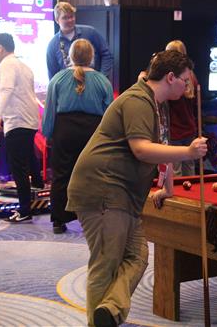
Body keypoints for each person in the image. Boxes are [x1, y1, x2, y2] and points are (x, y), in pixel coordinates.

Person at [66, 50, 208, 327]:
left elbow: (161, 148)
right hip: (104, 189)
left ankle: (110, 310)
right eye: (184, 81)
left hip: (121, 193)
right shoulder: (138, 100)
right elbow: (141, 149)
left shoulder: (155, 103)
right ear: (170, 77)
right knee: (106, 264)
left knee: (137, 256)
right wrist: (189, 152)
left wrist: (167, 188)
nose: (187, 87)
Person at [42, 39, 113, 234]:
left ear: (71, 56)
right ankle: (94, 217)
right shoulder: (103, 81)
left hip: (64, 131)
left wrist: (48, 133)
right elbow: (110, 114)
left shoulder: (57, 79)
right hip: (93, 132)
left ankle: (58, 221)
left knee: (61, 175)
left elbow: (49, 111)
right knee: (93, 175)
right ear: (92, 56)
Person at [0, 33, 40, 223]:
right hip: (29, 120)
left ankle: (25, 210)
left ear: (0, 48)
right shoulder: (23, 66)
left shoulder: (6, 65)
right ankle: (31, 200)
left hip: (17, 121)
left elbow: (7, 91)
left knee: (18, 168)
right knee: (27, 162)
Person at [47, 2, 113, 80]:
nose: (70, 20)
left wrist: (101, 78)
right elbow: (52, 76)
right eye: (65, 18)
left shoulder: (90, 33)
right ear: (57, 20)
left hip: (93, 83)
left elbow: (106, 55)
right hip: (68, 86)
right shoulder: (53, 45)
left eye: (71, 16)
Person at [164, 40, 199, 175]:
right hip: (190, 130)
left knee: (175, 171)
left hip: (174, 131)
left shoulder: (171, 79)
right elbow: (195, 107)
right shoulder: (192, 76)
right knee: (189, 169)